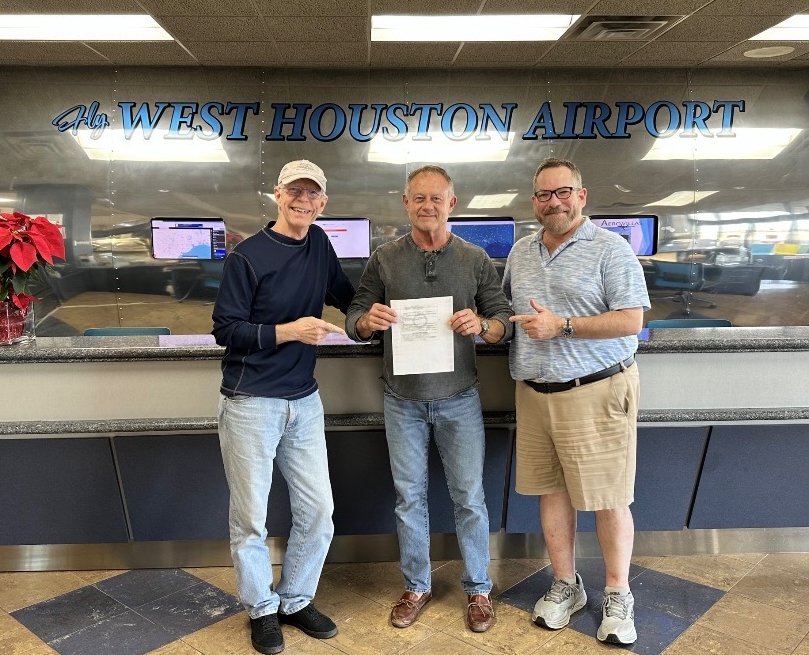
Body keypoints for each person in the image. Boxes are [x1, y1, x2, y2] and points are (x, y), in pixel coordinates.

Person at [345, 165, 513, 634]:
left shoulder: (475, 258)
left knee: (469, 499)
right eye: (418, 198)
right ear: (405, 203)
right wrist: (365, 322)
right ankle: (416, 585)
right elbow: (356, 314)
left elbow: (502, 319)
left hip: (460, 397)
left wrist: (483, 326)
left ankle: (479, 590)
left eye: (436, 198)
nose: (427, 206)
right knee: (408, 498)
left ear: (451, 204)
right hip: (402, 399)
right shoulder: (384, 259)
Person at [503, 157, 650, 646]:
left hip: (596, 390)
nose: (554, 202)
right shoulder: (521, 252)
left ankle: (617, 591)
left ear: (581, 196)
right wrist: (485, 325)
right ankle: (567, 584)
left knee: (609, 498)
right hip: (535, 393)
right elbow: (509, 315)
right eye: (544, 195)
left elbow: (631, 320)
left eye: (563, 192)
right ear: (534, 203)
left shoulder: (611, 249)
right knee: (552, 492)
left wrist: (563, 325)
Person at [212, 160, 354, 655]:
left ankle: (295, 600)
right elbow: (225, 330)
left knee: (319, 511)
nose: (303, 200)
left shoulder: (319, 243)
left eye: (312, 194)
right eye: (295, 191)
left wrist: (373, 313)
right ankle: (261, 609)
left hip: (304, 401)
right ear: (277, 195)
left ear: (323, 203)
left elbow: (347, 296)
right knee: (251, 520)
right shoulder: (246, 257)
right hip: (251, 402)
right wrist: (291, 330)